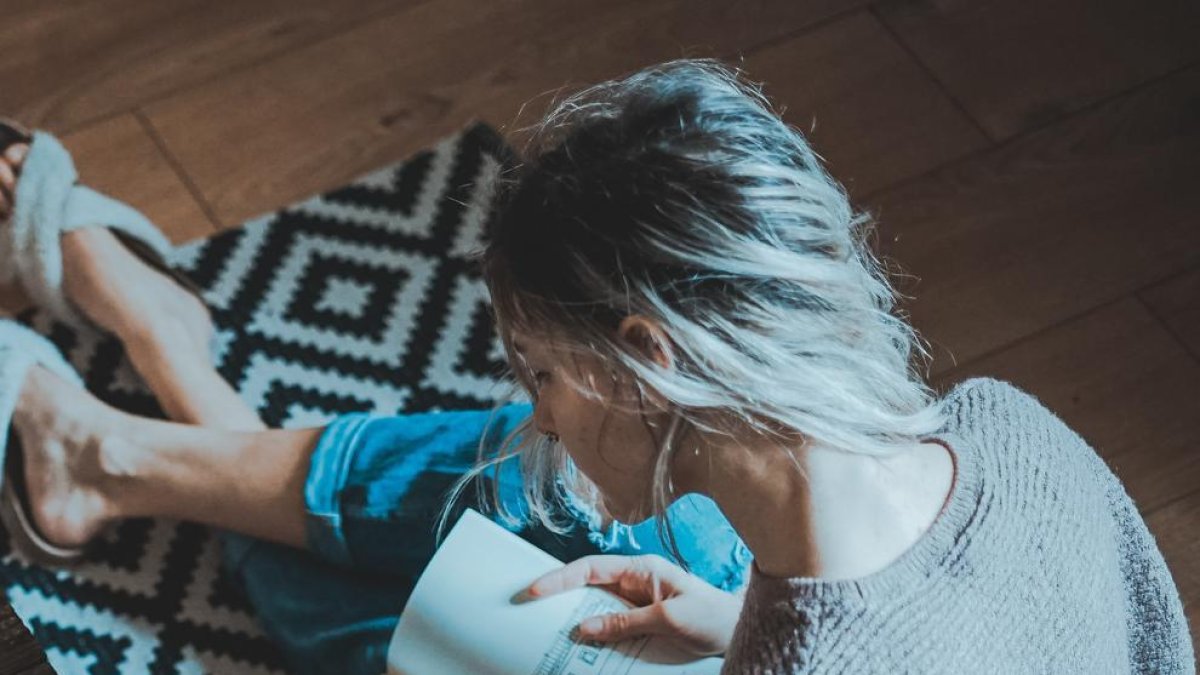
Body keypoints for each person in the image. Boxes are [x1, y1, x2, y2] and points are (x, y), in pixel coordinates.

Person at [0, 58, 1192, 674]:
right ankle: (127, 427)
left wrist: (760, 651)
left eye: (540, 373)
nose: (537, 407)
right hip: (763, 612)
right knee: (528, 493)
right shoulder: (1004, 429)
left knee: (438, 607)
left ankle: (150, 393)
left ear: (645, 359)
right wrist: (733, 626)